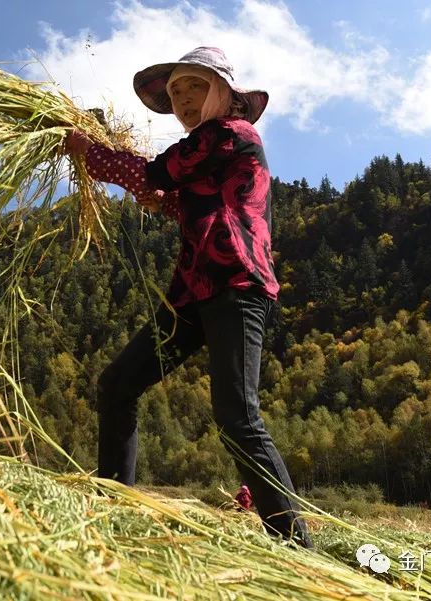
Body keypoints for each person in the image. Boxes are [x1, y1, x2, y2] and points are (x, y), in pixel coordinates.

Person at [63, 47, 314, 549]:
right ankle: (115, 507)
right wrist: (158, 198)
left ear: (223, 92)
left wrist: (89, 151)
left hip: (235, 285)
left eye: (194, 86)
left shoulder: (230, 134)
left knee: (237, 417)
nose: (182, 99)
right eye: (175, 91)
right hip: (194, 293)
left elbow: (153, 173)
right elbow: (174, 196)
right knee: (118, 384)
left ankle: (295, 544)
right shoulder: (206, 152)